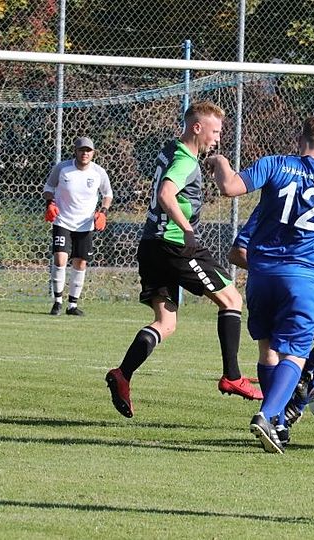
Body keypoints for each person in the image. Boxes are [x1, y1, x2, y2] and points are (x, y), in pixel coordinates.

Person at [206, 115, 314, 454]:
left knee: (281, 348)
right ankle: (271, 414)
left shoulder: (274, 165)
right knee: (294, 353)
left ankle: (284, 413)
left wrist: (220, 161)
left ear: (300, 140)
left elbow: (230, 188)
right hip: (302, 281)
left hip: (263, 278)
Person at [104, 102, 261, 419]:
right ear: (197, 128)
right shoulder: (185, 161)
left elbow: (175, 173)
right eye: (215, 132)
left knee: (166, 323)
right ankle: (232, 376)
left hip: (151, 245)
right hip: (175, 246)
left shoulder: (172, 150)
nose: (218, 138)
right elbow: (166, 194)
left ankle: (123, 374)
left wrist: (209, 159)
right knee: (231, 299)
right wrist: (188, 230)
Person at [227, 207, 314, 444]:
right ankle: (278, 422)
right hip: (275, 286)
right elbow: (237, 253)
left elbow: (310, 216)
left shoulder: (313, 194)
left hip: (306, 290)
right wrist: (272, 270)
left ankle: (303, 382)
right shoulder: (269, 204)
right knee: (270, 351)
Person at [43, 136, 112, 316]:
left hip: (85, 224)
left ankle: (72, 305)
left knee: (80, 263)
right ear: (75, 151)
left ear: (93, 153)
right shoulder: (62, 168)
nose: (85, 153)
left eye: (88, 150)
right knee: (60, 259)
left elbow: (108, 194)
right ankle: (57, 302)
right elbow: (48, 188)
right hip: (63, 220)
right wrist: (50, 204)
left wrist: (103, 212)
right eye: (82, 150)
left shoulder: (99, 172)